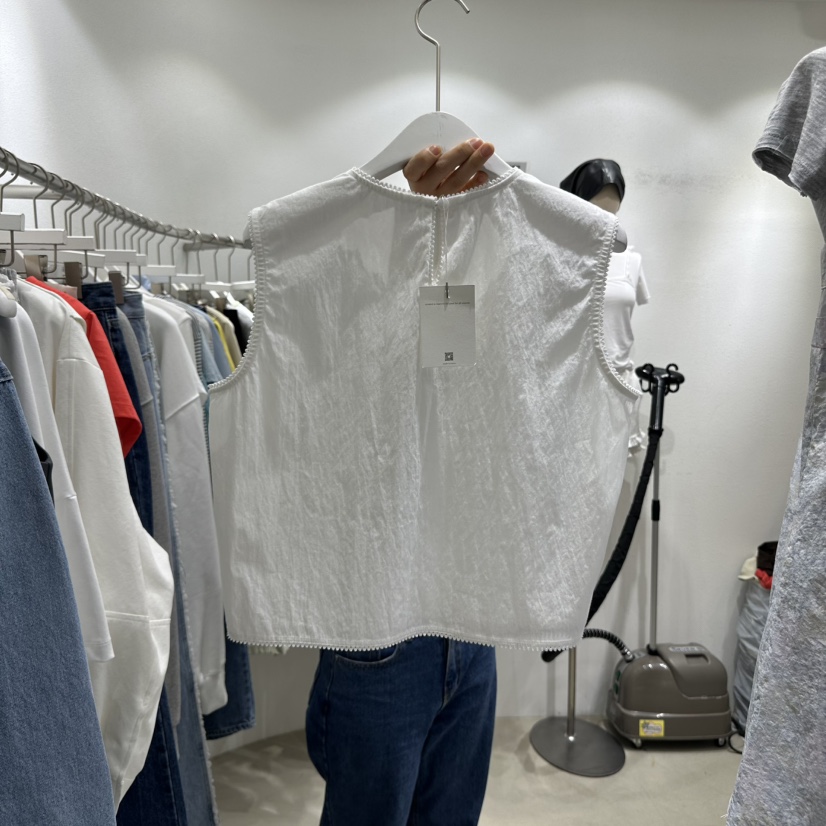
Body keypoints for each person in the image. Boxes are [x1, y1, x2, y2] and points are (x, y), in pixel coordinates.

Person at [304, 138, 500, 826]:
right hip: (381, 620)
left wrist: (459, 244)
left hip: (473, 611)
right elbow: (341, 416)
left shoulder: (492, 277)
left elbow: (471, 407)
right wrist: (406, 231)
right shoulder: (340, 263)